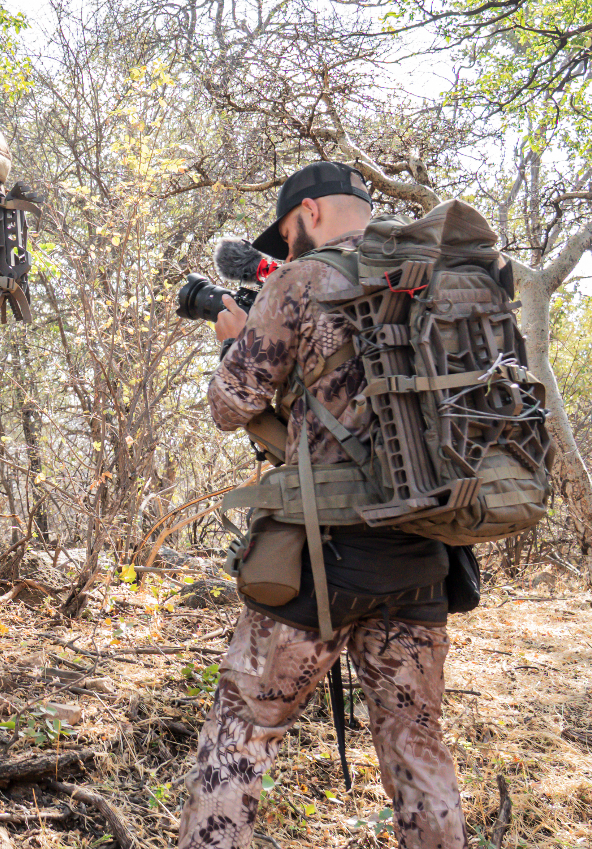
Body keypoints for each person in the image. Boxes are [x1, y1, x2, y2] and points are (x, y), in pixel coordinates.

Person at [178, 161, 466, 849]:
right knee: (416, 742)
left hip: (319, 562)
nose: (281, 251)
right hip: (422, 555)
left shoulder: (302, 281)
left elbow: (230, 406)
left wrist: (232, 340)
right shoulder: (434, 280)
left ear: (307, 213)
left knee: (244, 730)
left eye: (284, 234)